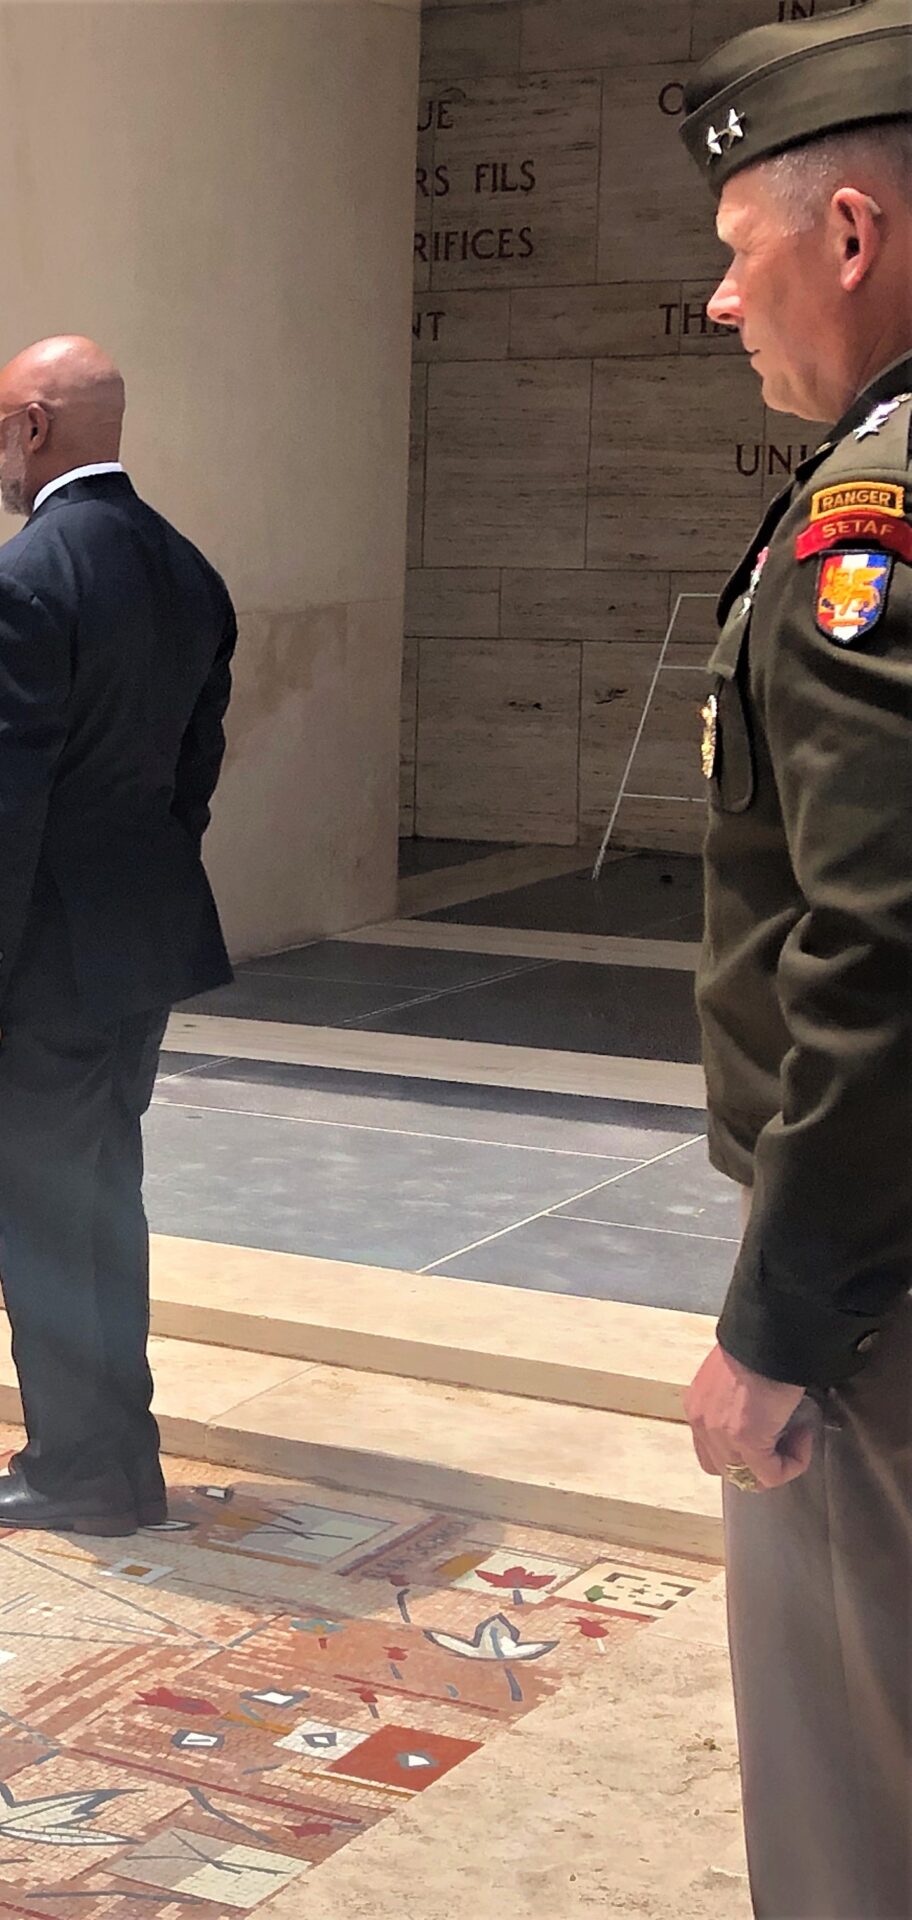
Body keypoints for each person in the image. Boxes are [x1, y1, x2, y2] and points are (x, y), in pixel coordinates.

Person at [674, 7, 912, 1911]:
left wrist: (780, 1325)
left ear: (850, 234)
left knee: (852, 1804)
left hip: (885, 1288)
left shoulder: (870, 517)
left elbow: (882, 944)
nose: (718, 300)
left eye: (738, 249)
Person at [0, 337, 238, 1539]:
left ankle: (78, 1471)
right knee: (105, 1204)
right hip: (132, 950)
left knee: (47, 1220)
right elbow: (191, 772)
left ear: (35, 427)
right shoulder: (185, 569)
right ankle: (120, 1459)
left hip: (40, 964)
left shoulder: (16, 582)